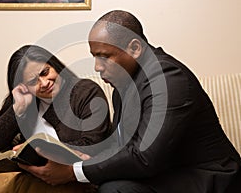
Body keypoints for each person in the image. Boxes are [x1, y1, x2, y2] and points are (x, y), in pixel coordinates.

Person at [18, 10, 241, 193]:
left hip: (209, 178)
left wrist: (72, 171)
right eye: (94, 55)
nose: (96, 66)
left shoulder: (168, 78)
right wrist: (74, 155)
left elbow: (145, 157)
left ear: (134, 48)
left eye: (104, 56)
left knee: (114, 189)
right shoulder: (123, 84)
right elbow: (122, 147)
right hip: (168, 171)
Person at [0, 44, 111, 192]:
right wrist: (17, 110)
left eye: (45, 72)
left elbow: (93, 144)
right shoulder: (26, 100)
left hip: (77, 180)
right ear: (23, 86)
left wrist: (43, 150)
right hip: (35, 179)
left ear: (54, 65)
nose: (44, 83)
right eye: (32, 82)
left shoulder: (85, 91)